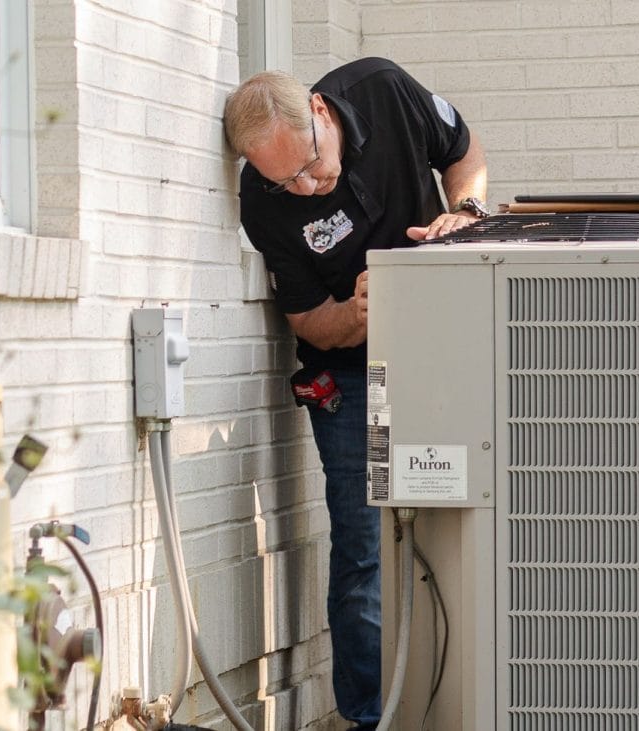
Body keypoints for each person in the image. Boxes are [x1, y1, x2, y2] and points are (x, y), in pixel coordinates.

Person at [223, 57, 487, 729]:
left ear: (320, 110)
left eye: (310, 164)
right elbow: (308, 320)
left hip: (440, 356)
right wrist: (357, 313)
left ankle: (465, 701)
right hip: (349, 376)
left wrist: (465, 213)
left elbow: (463, 151)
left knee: (464, 518)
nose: (309, 186)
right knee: (364, 544)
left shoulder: (383, 89)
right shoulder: (265, 199)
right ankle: (371, 716)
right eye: (289, 180)